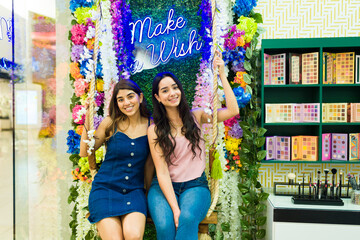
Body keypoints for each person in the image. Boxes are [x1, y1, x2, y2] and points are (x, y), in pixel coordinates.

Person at [147, 51, 239, 240]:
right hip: (163, 188)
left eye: (174, 87)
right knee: (165, 226)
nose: (172, 93)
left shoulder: (197, 116)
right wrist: (174, 208)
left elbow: (232, 110)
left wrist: (222, 74)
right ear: (157, 97)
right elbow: (162, 172)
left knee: (187, 218)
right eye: (165, 91)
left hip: (195, 186)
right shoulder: (154, 130)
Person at [79, 79, 154, 240]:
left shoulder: (151, 126)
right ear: (116, 103)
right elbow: (85, 151)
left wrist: (148, 195)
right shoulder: (110, 123)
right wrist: (87, 114)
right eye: (120, 100)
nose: (126, 102)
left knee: (133, 235)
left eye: (130, 96)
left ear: (140, 98)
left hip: (134, 191)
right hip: (105, 190)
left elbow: (150, 165)